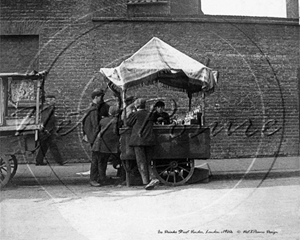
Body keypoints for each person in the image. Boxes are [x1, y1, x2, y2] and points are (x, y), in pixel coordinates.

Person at [126, 98, 160, 190]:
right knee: (148, 161)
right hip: (149, 140)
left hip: (138, 141)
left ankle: (147, 182)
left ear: (136, 106)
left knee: (141, 162)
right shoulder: (150, 114)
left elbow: (128, 123)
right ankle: (152, 178)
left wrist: (131, 112)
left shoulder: (135, 114)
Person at [82, 88, 109, 187]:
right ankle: (93, 179)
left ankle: (99, 178)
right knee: (96, 159)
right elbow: (95, 125)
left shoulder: (90, 108)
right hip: (95, 138)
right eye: (101, 97)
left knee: (98, 158)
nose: (102, 99)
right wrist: (99, 135)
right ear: (96, 97)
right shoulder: (93, 110)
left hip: (93, 137)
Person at [93, 105, 125, 184]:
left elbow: (97, 131)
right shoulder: (118, 121)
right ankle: (122, 176)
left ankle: (102, 178)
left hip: (103, 145)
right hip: (114, 146)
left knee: (101, 162)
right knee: (121, 160)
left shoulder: (102, 121)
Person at [35, 95, 65, 166]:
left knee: (44, 146)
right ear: (50, 100)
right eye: (54, 100)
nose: (55, 101)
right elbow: (45, 119)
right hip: (48, 131)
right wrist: (45, 129)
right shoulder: (48, 108)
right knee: (53, 145)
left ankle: (39, 160)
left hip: (47, 130)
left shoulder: (47, 108)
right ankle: (60, 161)